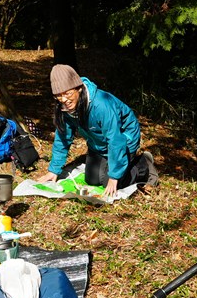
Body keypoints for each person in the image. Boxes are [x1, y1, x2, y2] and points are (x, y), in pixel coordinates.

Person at [38, 64, 158, 198]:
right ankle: (110, 163)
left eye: (67, 93)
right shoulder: (65, 107)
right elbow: (63, 137)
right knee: (92, 180)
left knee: (110, 182)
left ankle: (144, 164)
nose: (64, 99)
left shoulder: (101, 105)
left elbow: (116, 140)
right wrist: (54, 170)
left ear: (79, 88)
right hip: (98, 142)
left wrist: (114, 177)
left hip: (124, 138)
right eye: (58, 96)